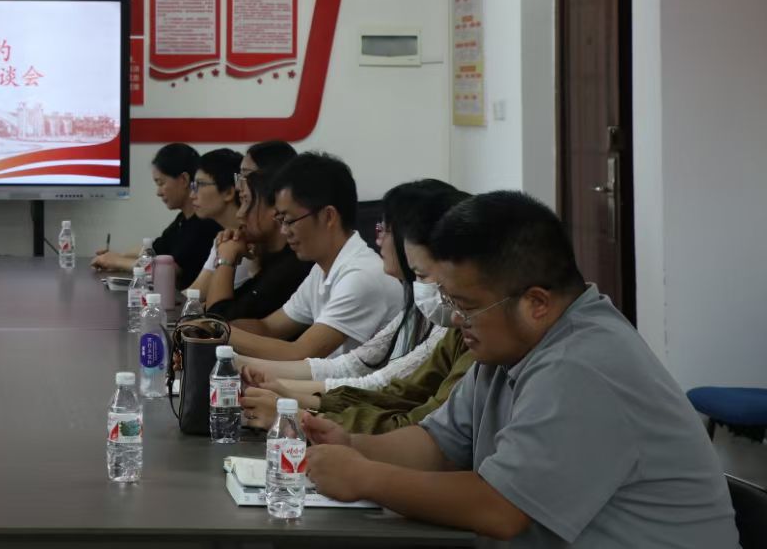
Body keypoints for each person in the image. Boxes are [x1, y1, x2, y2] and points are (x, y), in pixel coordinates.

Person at [304, 192, 738, 547]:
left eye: (466, 305)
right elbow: (438, 446)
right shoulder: (506, 349)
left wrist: (366, 477)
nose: (455, 318)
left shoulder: (581, 364)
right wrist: (354, 445)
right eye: (450, 300)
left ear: (536, 303)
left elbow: (500, 509)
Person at [238, 179, 467, 410]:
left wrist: (280, 391)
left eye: (385, 230)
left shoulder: (368, 277)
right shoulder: (417, 300)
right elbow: (351, 365)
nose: (378, 239)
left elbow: (380, 386)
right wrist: (251, 372)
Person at [226, 152, 402, 360]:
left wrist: (221, 333)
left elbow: (298, 352)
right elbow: (268, 327)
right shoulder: (323, 268)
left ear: (328, 216)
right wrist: (212, 327)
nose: (284, 231)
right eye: (281, 220)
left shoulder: (362, 276)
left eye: (289, 220)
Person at [90, 143, 221, 288]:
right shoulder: (183, 220)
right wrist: (116, 256)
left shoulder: (204, 224)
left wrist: (117, 261)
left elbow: (169, 271)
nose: (158, 192)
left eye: (161, 183)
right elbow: (154, 250)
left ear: (184, 180)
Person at [201, 159, 314, 321]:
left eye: (246, 201)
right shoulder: (272, 260)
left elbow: (218, 321)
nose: (239, 214)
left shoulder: (291, 267)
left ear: (276, 210)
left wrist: (226, 258)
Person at [191, 141, 298, 299]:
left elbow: (219, 312)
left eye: (246, 175)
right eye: (239, 176)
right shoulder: (245, 243)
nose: (238, 185)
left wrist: (226, 260)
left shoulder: (290, 266)